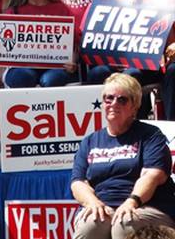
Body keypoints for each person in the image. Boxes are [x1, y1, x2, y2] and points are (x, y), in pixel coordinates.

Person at [71, 73, 175, 239]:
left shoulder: (150, 135)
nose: (113, 104)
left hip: (147, 206)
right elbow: (78, 182)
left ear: (135, 106)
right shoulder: (90, 141)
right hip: (103, 206)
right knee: (91, 226)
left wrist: (132, 201)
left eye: (122, 99)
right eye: (108, 98)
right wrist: (93, 202)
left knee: (124, 224)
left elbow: (152, 176)